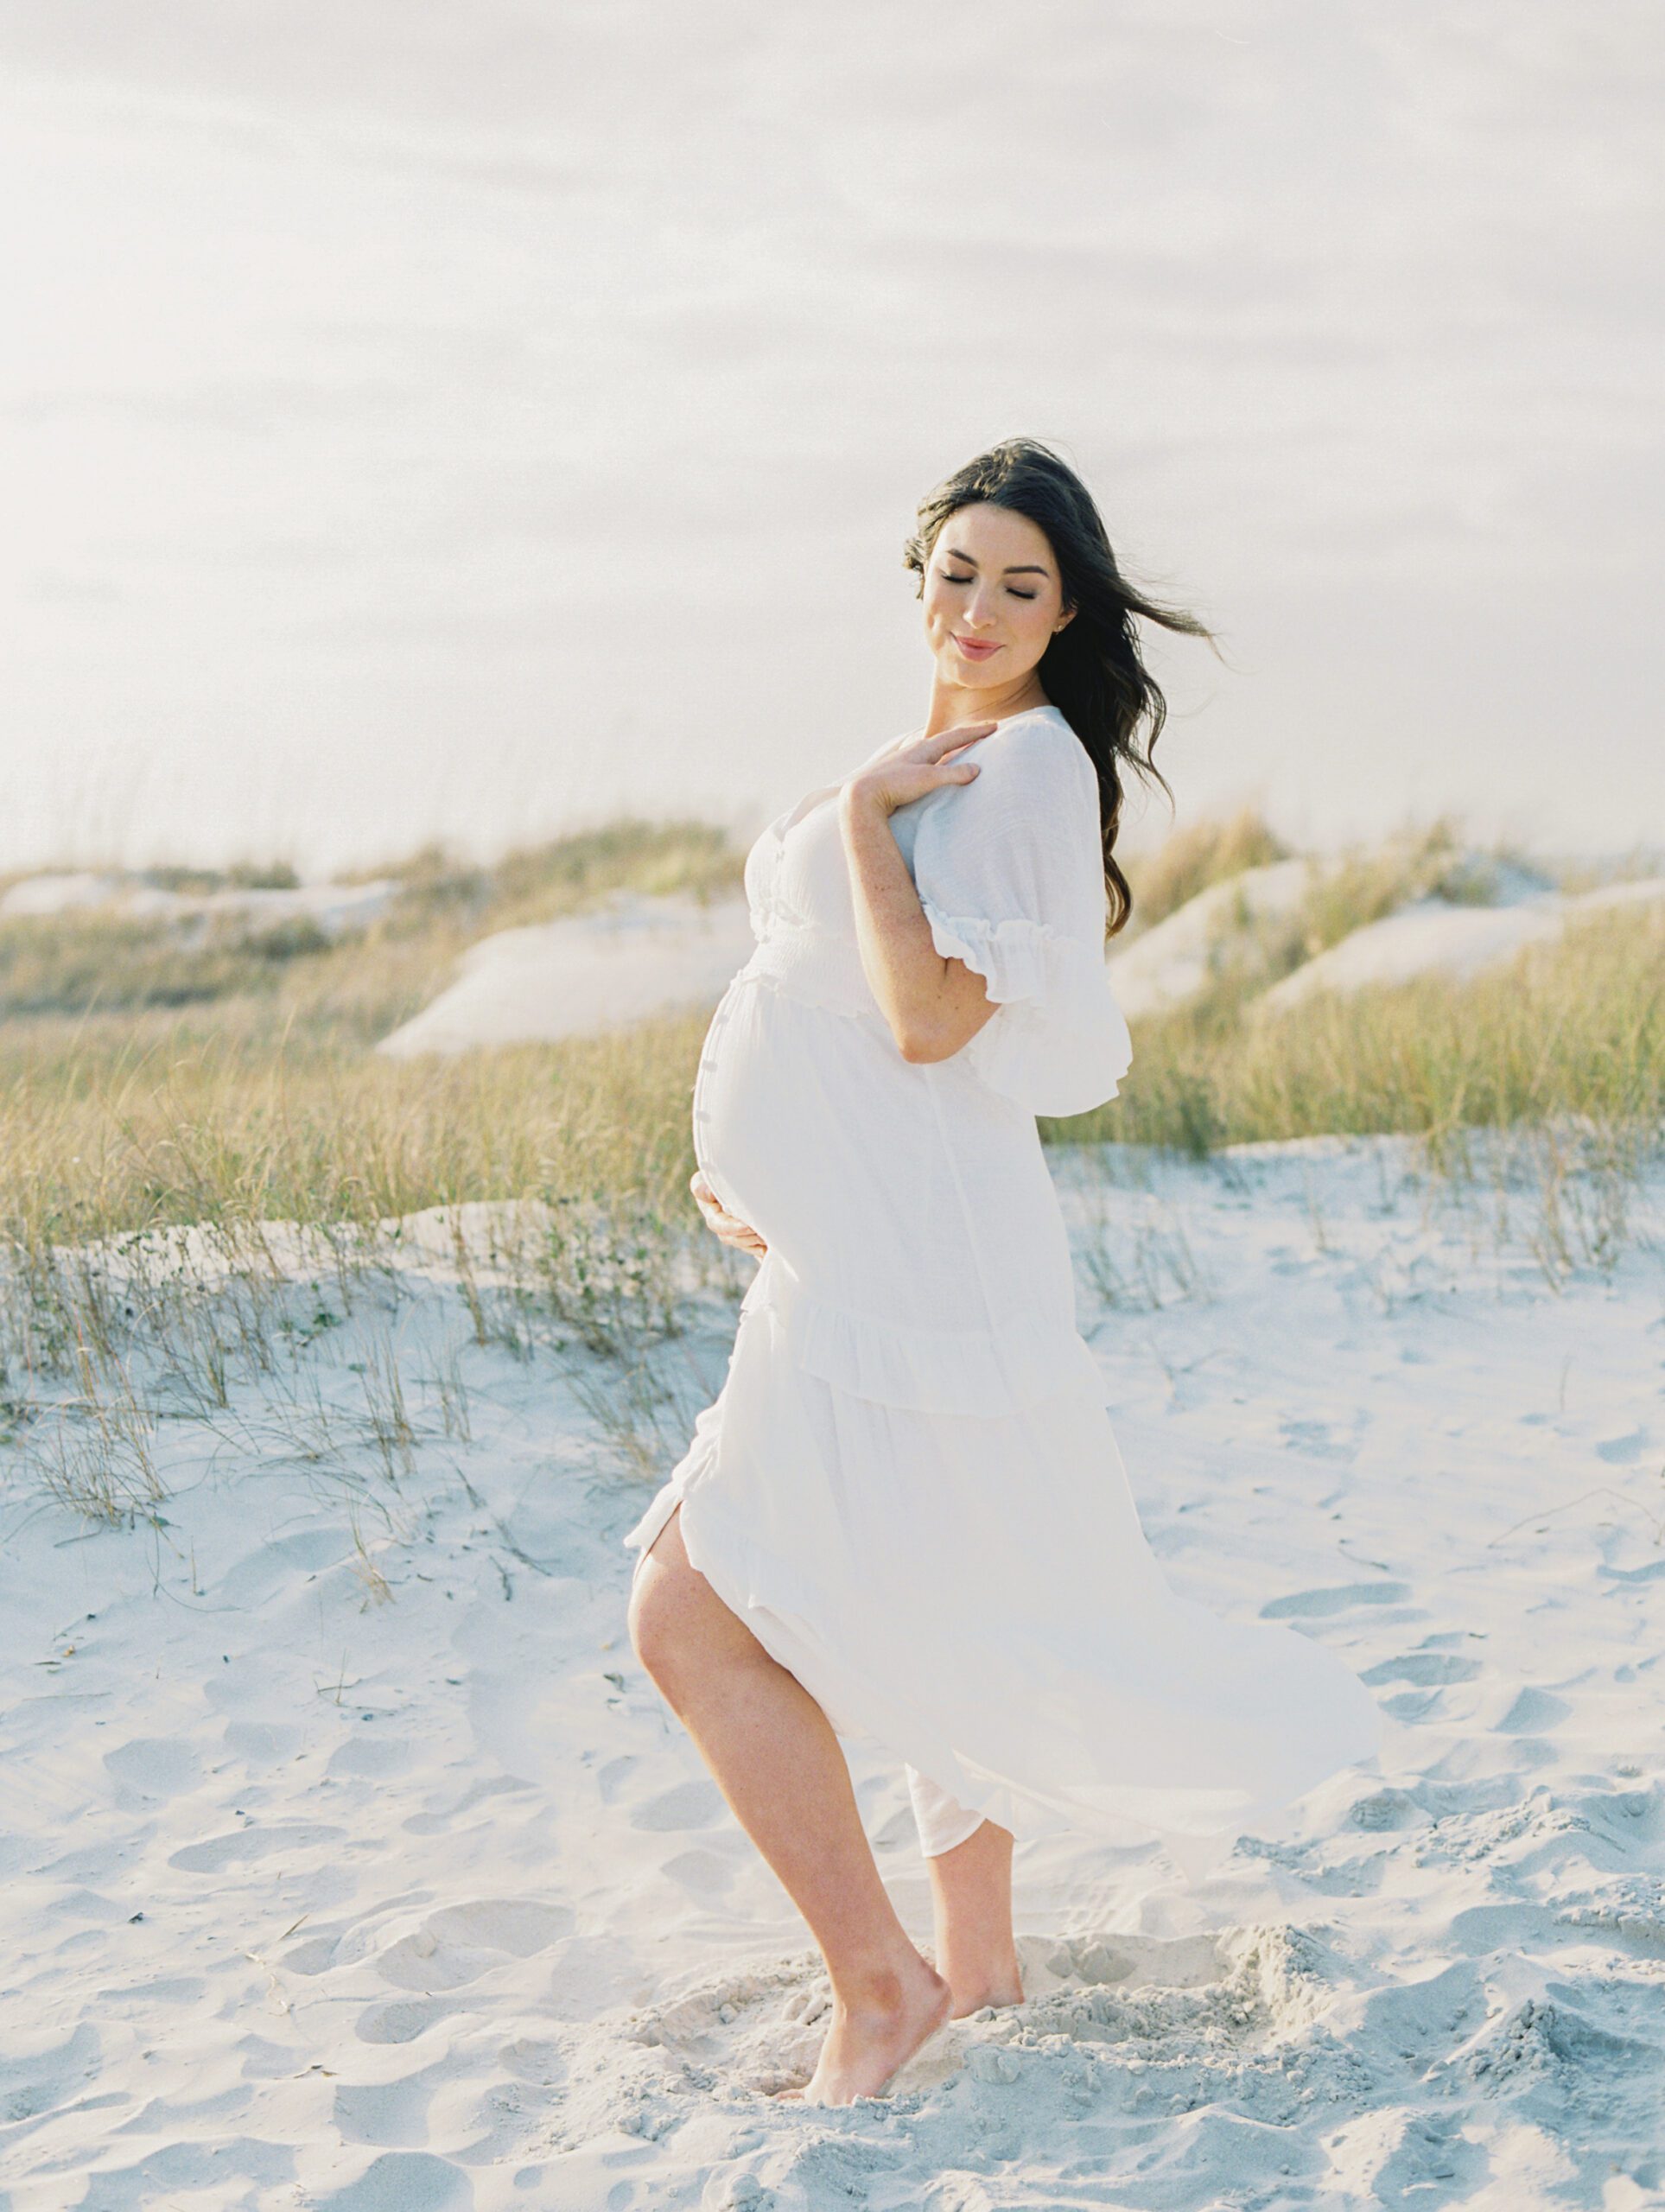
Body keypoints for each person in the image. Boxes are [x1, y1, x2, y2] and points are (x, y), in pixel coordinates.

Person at [623, 437, 1383, 2107]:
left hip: (908, 1272)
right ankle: (976, 1969)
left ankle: (882, 1989)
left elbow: (928, 1021)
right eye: (956, 572)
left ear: (1066, 614)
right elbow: (852, 1024)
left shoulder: (1021, 772)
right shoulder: (951, 749)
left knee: (686, 1612)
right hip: (871, 1246)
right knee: (932, 1593)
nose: (976, 608)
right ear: (918, 576)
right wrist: (772, 1175)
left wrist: (859, 824)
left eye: (1019, 587)